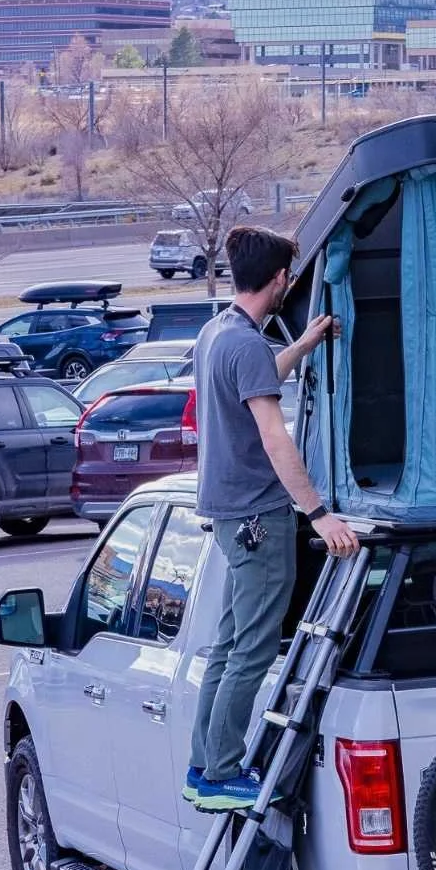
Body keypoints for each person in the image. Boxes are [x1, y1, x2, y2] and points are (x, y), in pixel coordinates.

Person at [186, 224, 360, 812]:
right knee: (253, 650)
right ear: (282, 279)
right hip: (261, 517)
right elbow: (274, 436)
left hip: (231, 518)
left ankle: (204, 765)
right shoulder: (244, 345)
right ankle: (224, 773)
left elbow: (257, 376)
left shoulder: (219, 334)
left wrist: (304, 344)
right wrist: (318, 514)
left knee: (228, 643)